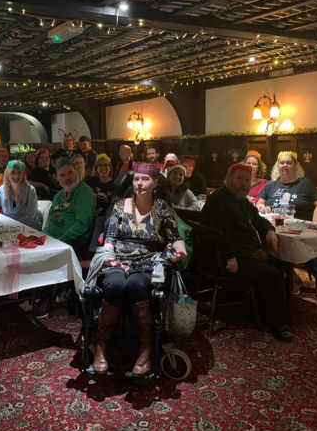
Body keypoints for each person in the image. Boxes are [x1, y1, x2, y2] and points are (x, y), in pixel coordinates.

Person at [91, 163, 187, 376]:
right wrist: (107, 258)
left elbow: (175, 237)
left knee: (135, 285)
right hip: (117, 260)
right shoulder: (119, 206)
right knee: (115, 285)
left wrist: (181, 251)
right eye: (136, 179)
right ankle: (101, 346)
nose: (140, 183)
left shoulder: (161, 207)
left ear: (155, 183)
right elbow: (110, 239)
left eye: (145, 180)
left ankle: (145, 348)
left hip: (147, 261)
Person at [201, 164, 292, 343]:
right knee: (273, 275)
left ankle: (260, 310)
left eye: (247, 180)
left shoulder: (241, 199)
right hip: (227, 259)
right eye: (239, 179)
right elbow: (221, 232)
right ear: (228, 180)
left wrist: (269, 230)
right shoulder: (219, 198)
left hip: (243, 254)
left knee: (279, 262)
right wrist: (230, 257)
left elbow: (258, 219)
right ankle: (279, 325)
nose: (243, 184)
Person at [257, 151, 317, 298]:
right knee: (273, 242)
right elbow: (259, 203)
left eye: (289, 162)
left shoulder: (305, 183)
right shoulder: (271, 185)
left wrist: (314, 225)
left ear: (296, 166)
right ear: (277, 166)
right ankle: (291, 276)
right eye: (281, 162)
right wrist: (262, 207)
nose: (285, 165)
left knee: (302, 242)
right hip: (276, 226)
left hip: (300, 226)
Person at [43, 158, 96, 259]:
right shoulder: (58, 196)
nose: (67, 178)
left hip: (71, 245)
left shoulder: (84, 192)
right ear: (58, 178)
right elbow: (51, 221)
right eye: (62, 175)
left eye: (70, 173)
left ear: (76, 171)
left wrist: (60, 241)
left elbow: (81, 225)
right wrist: (42, 236)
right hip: (51, 241)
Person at [0, 160, 43, 230]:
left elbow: (29, 218)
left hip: (30, 228)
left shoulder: (30, 190)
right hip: (10, 229)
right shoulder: (2, 189)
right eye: (13, 172)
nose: (16, 175)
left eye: (19, 172)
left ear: (23, 174)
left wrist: (9, 224)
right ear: (7, 173)